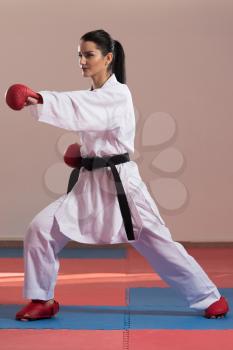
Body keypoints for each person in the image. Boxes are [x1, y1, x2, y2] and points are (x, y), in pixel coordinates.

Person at [15, 29, 229, 321]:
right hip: (90, 186)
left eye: (89, 54)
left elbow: (82, 109)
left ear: (108, 58)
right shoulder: (95, 96)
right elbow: (90, 118)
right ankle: (42, 299)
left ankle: (209, 297)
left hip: (121, 187)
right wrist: (84, 154)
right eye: (79, 54)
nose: (82, 60)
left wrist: (39, 98)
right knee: (40, 229)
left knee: (158, 242)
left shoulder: (117, 94)